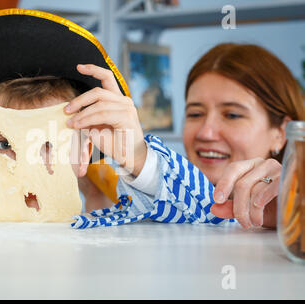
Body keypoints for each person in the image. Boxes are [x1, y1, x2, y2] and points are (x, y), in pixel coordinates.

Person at [0, 9, 232, 229]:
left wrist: (136, 155)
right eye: (4, 145)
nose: (30, 165)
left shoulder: (118, 224)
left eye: (50, 145)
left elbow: (216, 217)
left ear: (85, 153)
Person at [66, 43, 304, 229]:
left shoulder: (293, 210)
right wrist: (94, 196)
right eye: (195, 113)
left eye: (232, 115)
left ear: (282, 132)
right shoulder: (149, 201)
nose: (205, 132)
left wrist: (139, 156)